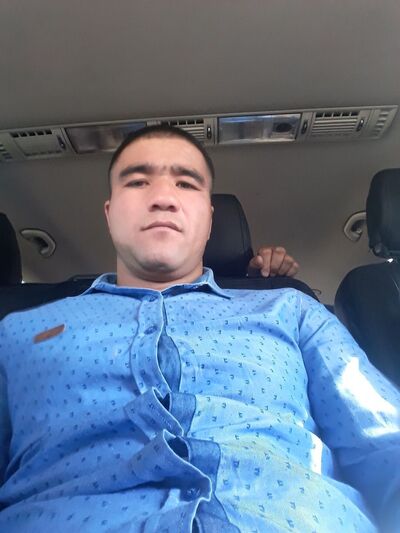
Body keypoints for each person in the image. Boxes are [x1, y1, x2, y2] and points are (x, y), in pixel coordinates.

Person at [0, 126, 398, 533]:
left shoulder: (292, 311)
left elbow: (386, 442)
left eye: (186, 183)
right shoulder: (16, 333)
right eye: (137, 182)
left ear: (209, 219)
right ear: (109, 213)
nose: (163, 198)